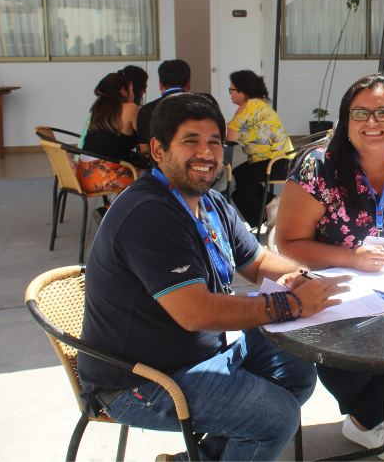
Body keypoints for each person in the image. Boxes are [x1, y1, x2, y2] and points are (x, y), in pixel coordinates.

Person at [77, 93, 351, 462]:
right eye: (191, 141)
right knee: (274, 418)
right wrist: (293, 304)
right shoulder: (150, 213)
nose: (206, 154)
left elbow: (256, 261)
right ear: (158, 150)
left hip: (202, 357)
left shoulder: (209, 201)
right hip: (142, 381)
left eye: (215, 143)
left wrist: (303, 277)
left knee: (296, 369)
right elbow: (196, 313)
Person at [275, 73, 384, 462]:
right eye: (361, 113)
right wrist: (352, 258)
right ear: (345, 120)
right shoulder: (319, 167)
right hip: (338, 288)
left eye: (383, 113)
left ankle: (364, 418)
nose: (372, 122)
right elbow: (287, 241)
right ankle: (368, 416)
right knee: (344, 359)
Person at [225, 70, 293, 227]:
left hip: (274, 162)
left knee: (236, 183)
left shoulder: (249, 105)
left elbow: (230, 136)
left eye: (232, 90)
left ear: (243, 92)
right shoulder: (257, 105)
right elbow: (234, 127)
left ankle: (273, 207)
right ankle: (269, 216)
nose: (230, 94)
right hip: (278, 159)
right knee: (237, 180)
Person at [76, 72, 141, 195]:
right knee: (151, 179)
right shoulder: (131, 108)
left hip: (83, 175)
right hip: (103, 177)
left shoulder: (98, 108)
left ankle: (107, 210)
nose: (133, 94)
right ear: (123, 91)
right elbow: (145, 143)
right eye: (131, 90)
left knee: (138, 173)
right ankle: (109, 210)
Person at [137, 59, 216, 153]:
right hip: (202, 164)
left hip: (161, 165)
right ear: (189, 83)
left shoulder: (146, 110)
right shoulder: (207, 101)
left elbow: (145, 151)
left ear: (160, 84)